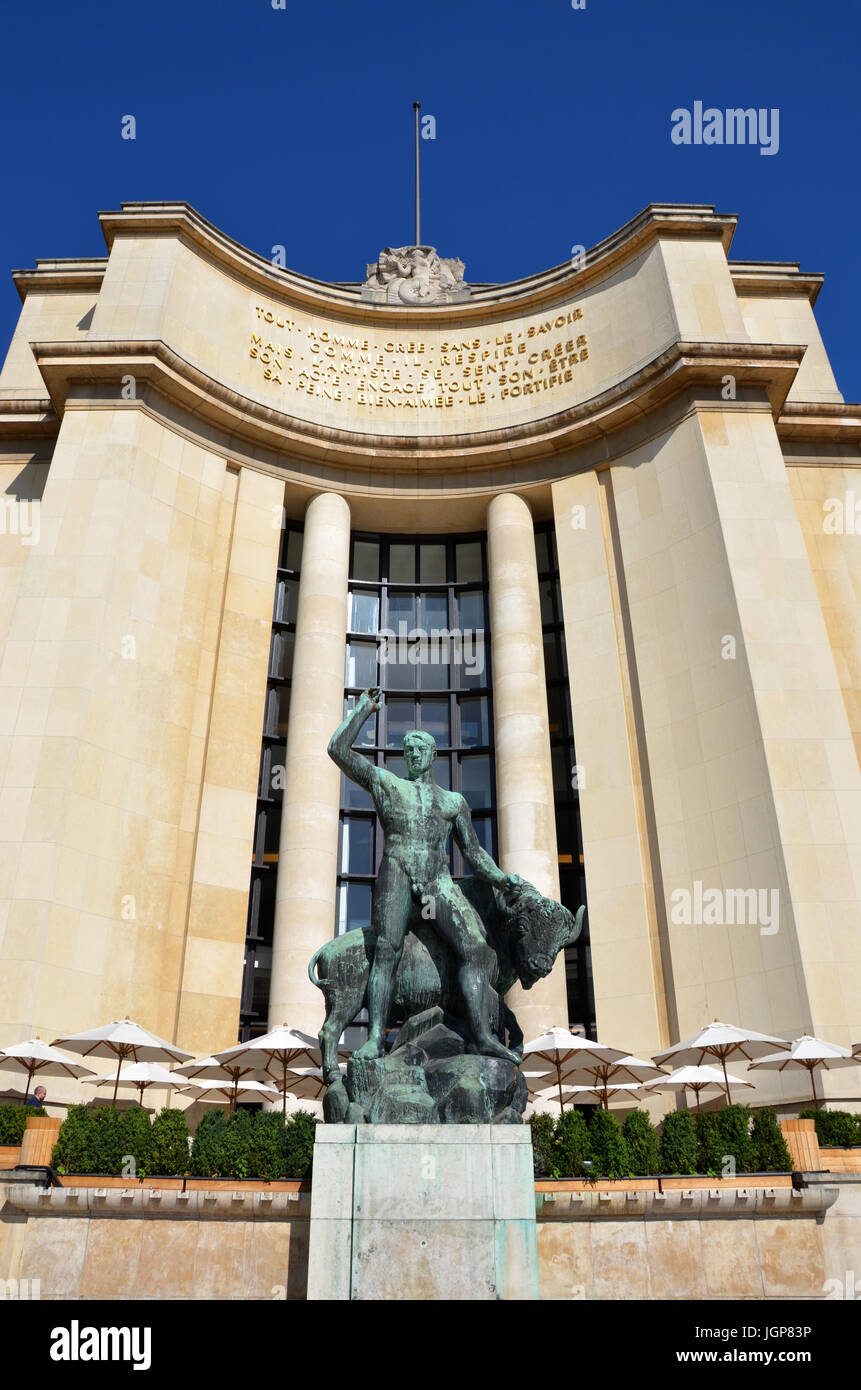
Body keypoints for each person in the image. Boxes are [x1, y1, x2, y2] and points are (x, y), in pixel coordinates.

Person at [327, 686, 523, 1063]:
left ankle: (481, 1034)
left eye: (422, 749)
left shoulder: (452, 802)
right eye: (409, 750)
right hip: (397, 877)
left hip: (435, 888)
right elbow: (337, 750)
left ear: (434, 755)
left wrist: (501, 878)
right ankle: (374, 1039)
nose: (414, 754)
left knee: (476, 950)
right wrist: (363, 710)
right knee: (387, 950)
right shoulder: (388, 785)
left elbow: (475, 853)